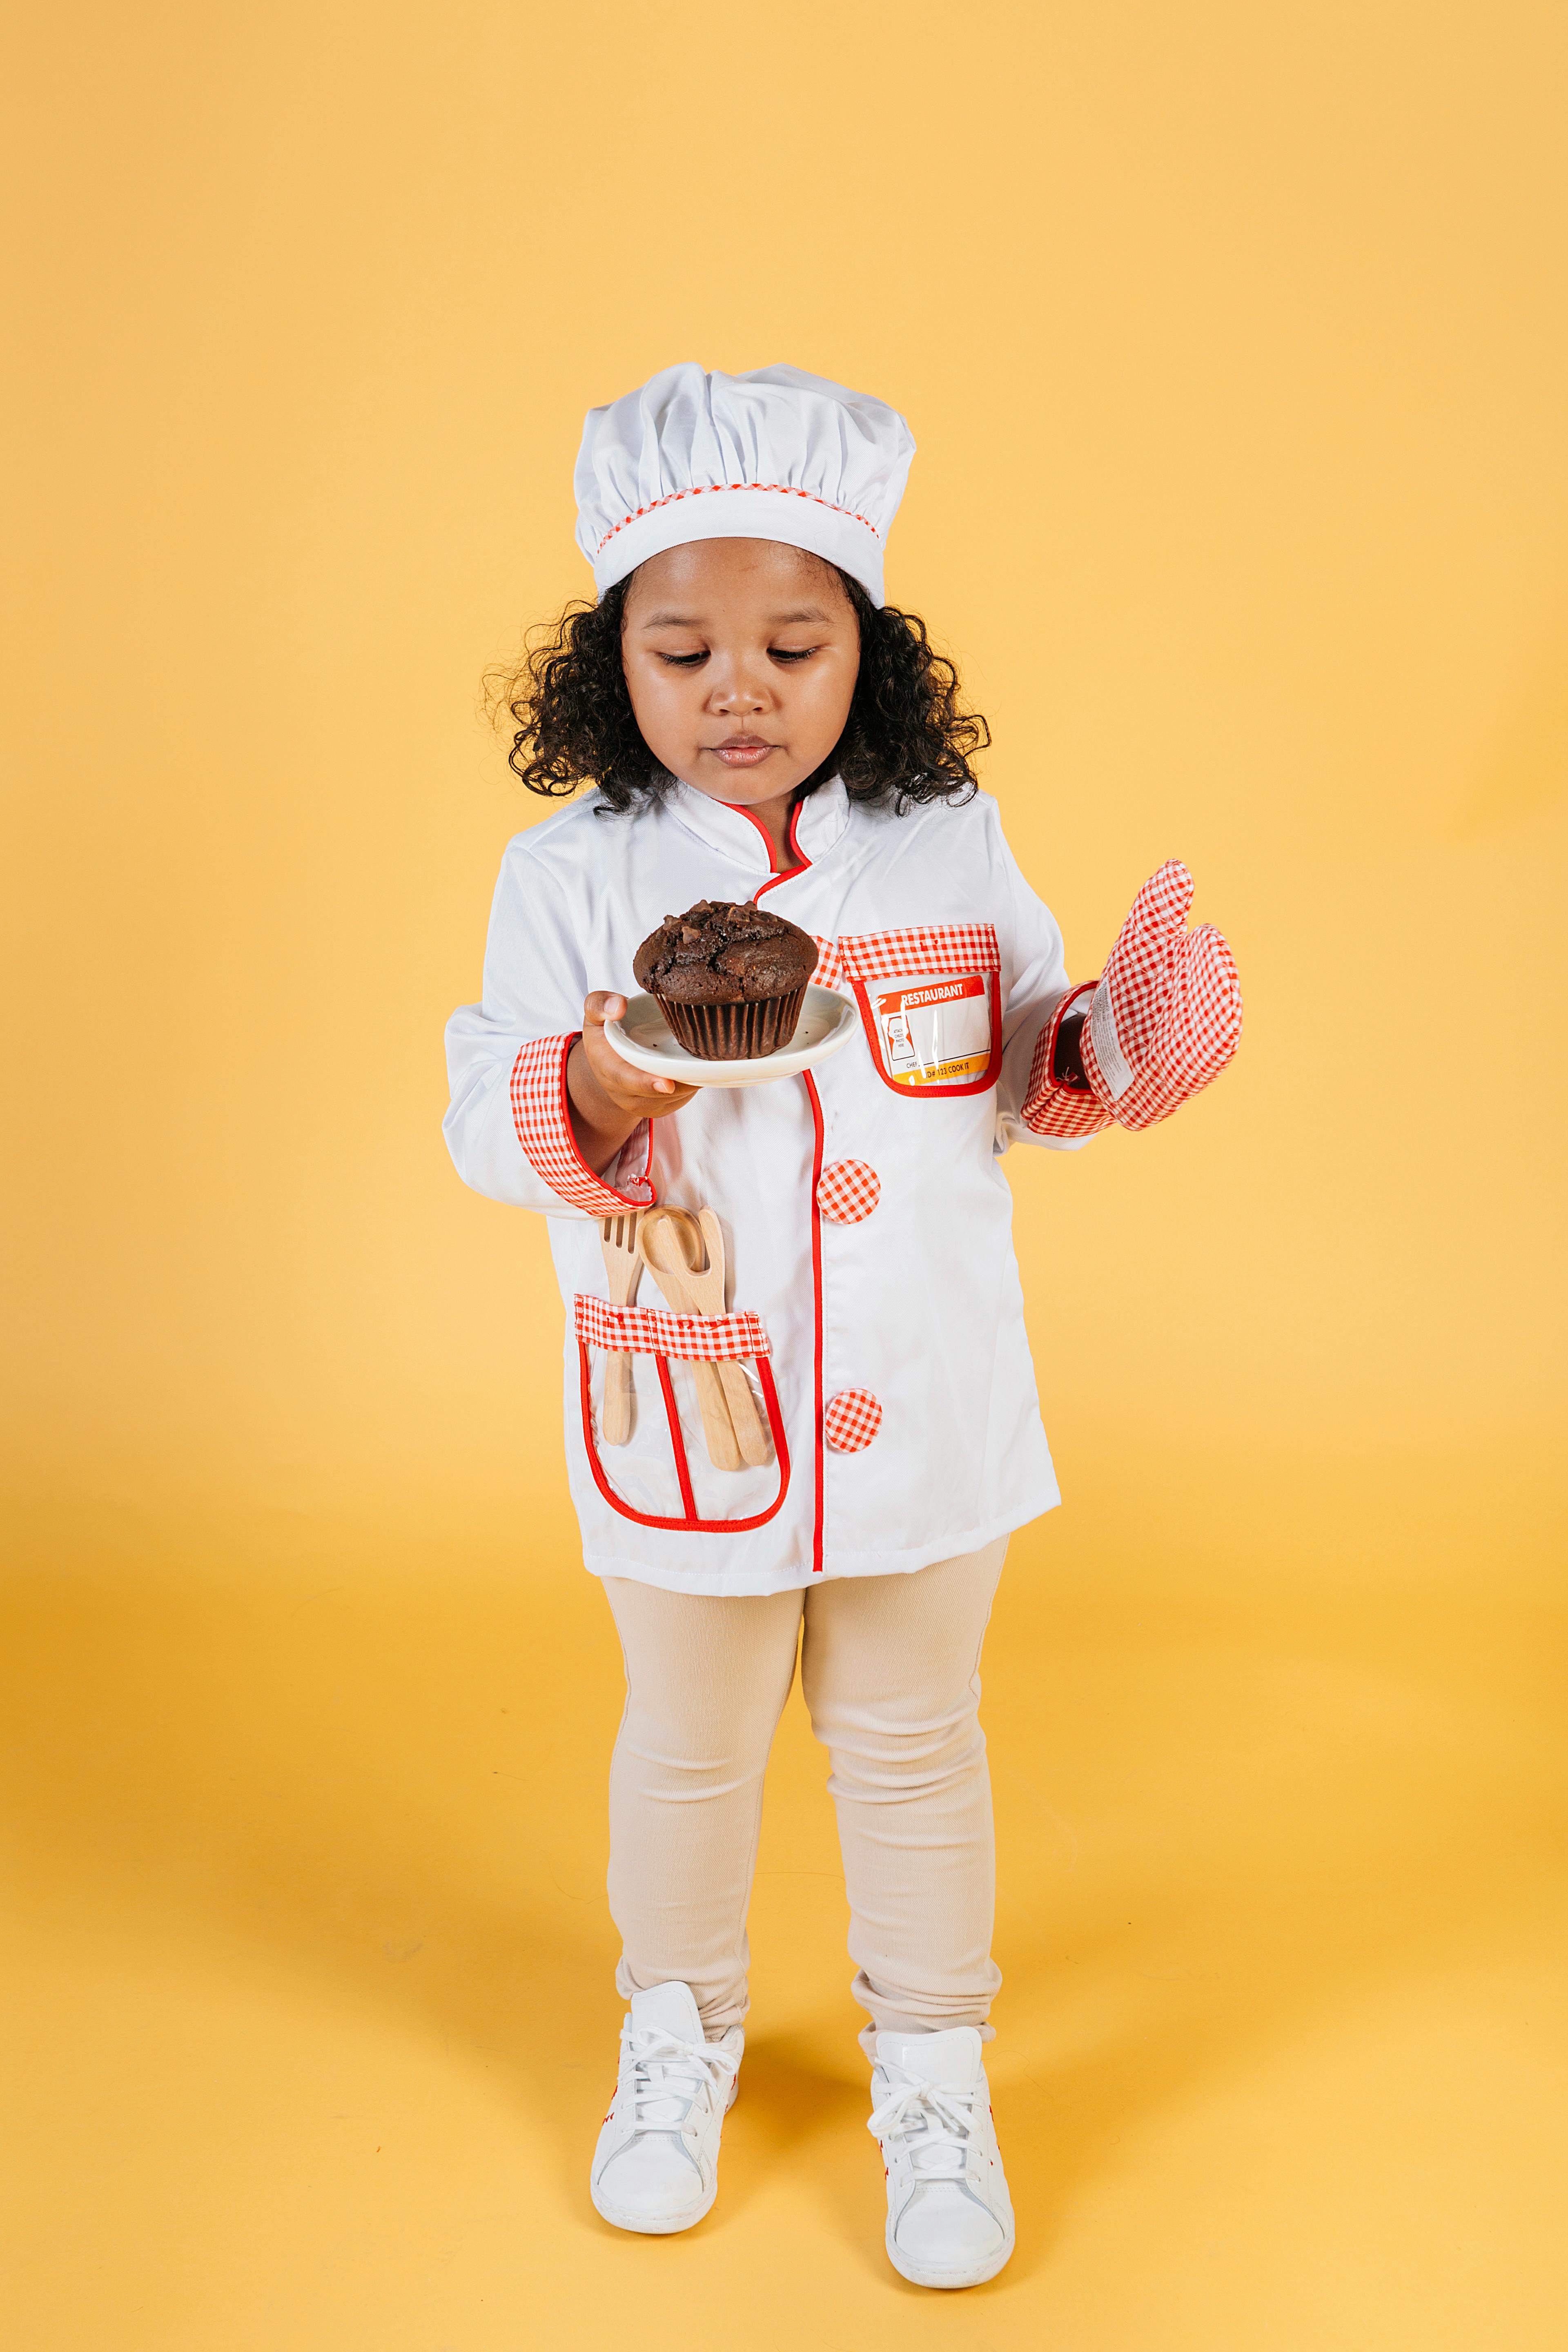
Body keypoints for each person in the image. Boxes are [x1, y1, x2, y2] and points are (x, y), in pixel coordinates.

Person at [444, 363, 1241, 2289]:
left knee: (913, 1742)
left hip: (927, 1400)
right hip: (693, 1409)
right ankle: (678, 2035)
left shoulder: (947, 840)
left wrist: (1126, 1041)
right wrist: (610, 1087)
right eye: (683, 647)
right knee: (690, 1746)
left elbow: (1026, 1059)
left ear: (864, 654)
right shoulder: (571, 879)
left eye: (794, 644)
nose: (739, 688)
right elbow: (485, 1108)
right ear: (608, 667)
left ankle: (936, 2067)